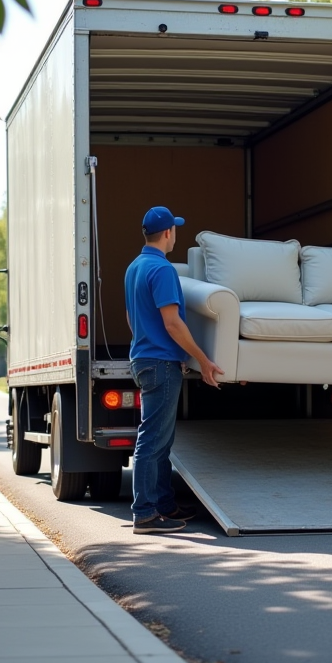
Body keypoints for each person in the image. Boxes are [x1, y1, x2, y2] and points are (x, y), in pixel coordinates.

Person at [125, 206, 223, 534]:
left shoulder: (134, 268)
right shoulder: (163, 270)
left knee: (161, 440)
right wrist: (202, 359)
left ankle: (164, 504)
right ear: (168, 233)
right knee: (152, 439)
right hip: (160, 362)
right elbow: (172, 322)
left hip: (143, 358)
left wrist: (148, 341)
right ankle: (145, 513)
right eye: (175, 229)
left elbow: (131, 318)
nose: (175, 234)